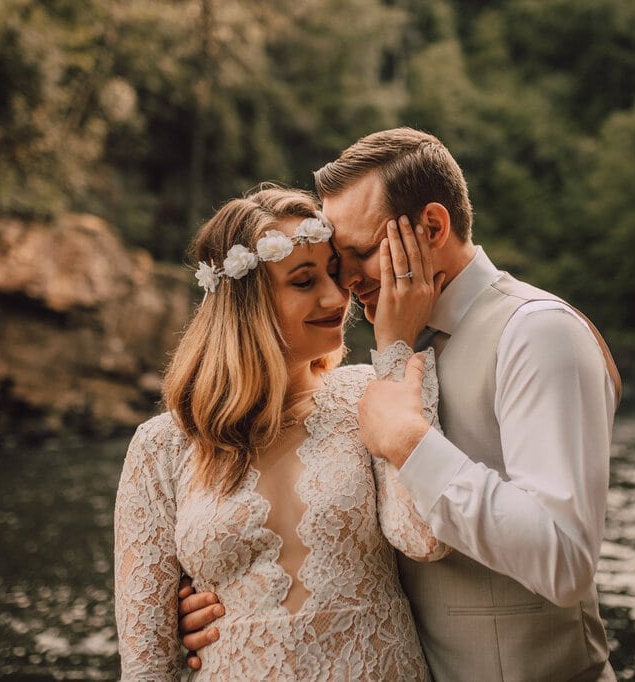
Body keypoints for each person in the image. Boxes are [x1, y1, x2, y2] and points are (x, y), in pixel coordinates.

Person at [180, 129, 622, 681]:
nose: (345, 282)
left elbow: (566, 561)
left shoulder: (537, 333)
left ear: (432, 227)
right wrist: (221, 597)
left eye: (362, 253)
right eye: (337, 261)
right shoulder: (392, 350)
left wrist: (413, 445)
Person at [113, 186, 450, 680]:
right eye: (304, 281)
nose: (336, 297)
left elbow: (424, 538)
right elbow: (148, 664)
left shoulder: (371, 392)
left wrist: (395, 347)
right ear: (246, 305)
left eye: (333, 273)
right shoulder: (161, 447)